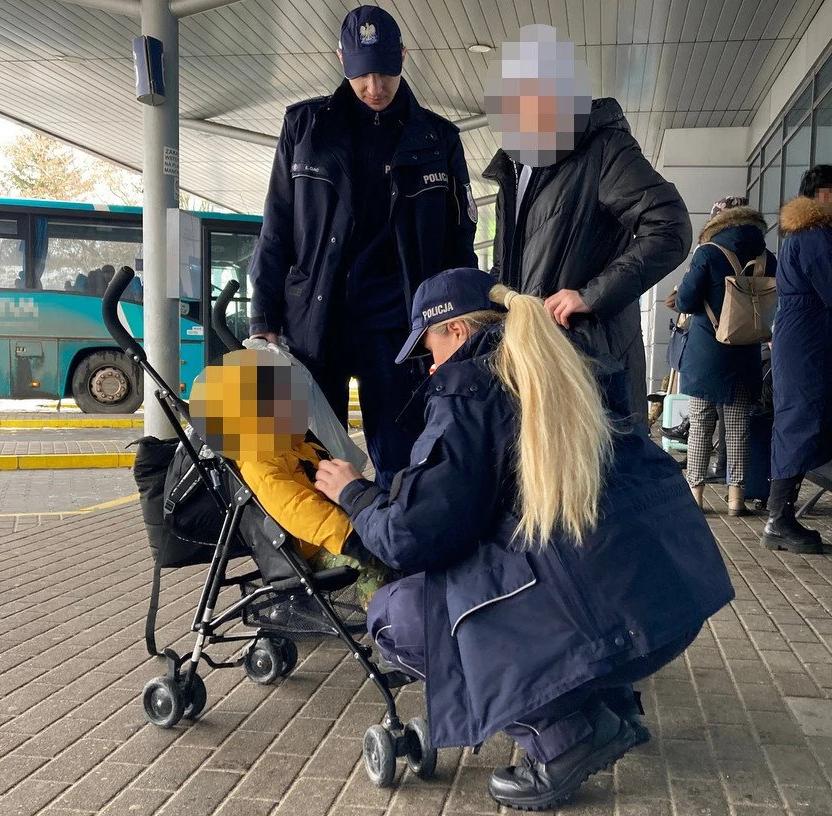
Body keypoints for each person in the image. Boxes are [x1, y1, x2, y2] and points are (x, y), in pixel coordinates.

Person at [314, 267, 734, 811]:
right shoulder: (567, 366)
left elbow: (411, 539)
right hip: (664, 612)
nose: (431, 364)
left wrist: (356, 496)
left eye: (430, 348)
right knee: (543, 557)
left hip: (604, 623)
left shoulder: (470, 391)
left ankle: (567, 738)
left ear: (458, 333)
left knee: (397, 617)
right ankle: (612, 708)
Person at [248, 5, 478, 490]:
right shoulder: (303, 128)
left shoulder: (439, 139)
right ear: (340, 61)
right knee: (314, 463)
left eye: (386, 73)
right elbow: (276, 230)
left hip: (400, 329)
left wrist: (465, 322)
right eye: (362, 75)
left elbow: (459, 247)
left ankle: (397, 561)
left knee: (405, 459)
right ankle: (326, 559)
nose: (375, 87)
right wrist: (263, 321)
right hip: (316, 322)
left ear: (403, 58)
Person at [482, 24, 692, 418]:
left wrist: (591, 296)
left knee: (599, 474)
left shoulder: (604, 149)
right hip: (529, 357)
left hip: (589, 359)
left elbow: (671, 226)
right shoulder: (513, 168)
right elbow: (506, 267)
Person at [188, 348, 391, 609]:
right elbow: (296, 508)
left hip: (337, 527)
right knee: (375, 563)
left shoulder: (293, 445)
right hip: (317, 545)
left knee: (393, 539)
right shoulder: (257, 461)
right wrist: (349, 536)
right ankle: (386, 622)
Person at [675, 197, 776, 515]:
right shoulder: (766, 257)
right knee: (737, 427)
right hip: (745, 352)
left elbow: (686, 302)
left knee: (702, 424)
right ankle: (736, 498)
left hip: (706, 352)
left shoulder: (708, 253)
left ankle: (696, 495)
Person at [763, 165, 832, 554]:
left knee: (802, 416)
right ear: (826, 194)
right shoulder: (816, 234)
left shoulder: (803, 233)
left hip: (805, 337)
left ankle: (781, 517)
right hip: (809, 340)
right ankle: (778, 520)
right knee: (802, 418)